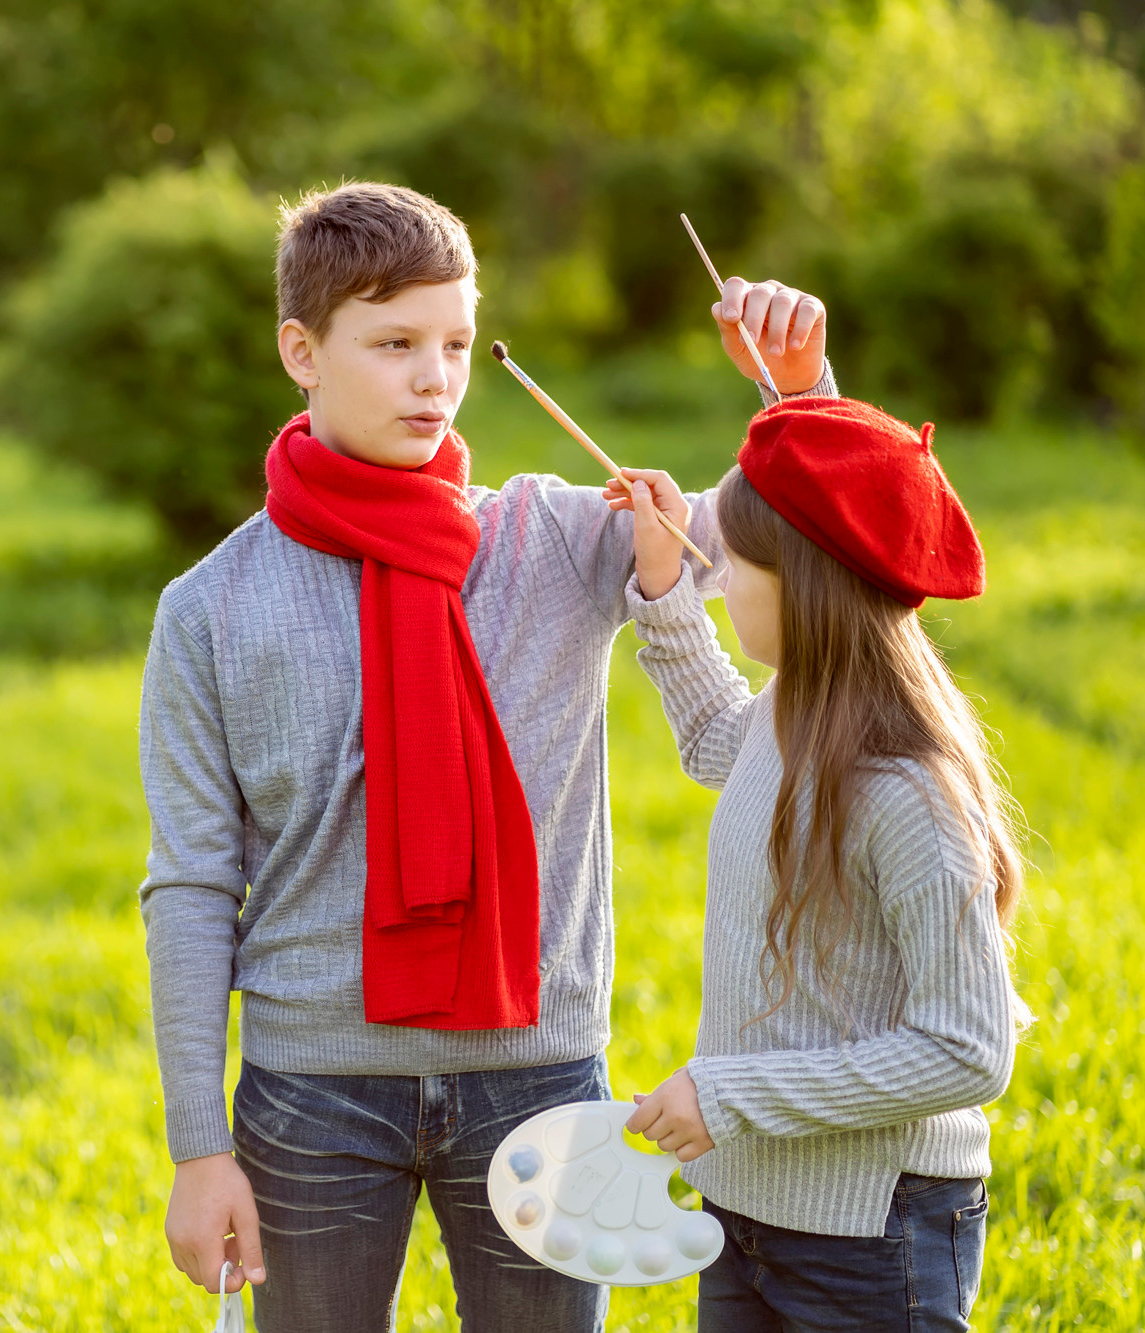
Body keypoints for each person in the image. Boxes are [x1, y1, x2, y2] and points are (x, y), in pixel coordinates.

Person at [138, 179, 834, 1331]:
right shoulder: (209, 607)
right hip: (311, 1093)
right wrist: (197, 1148)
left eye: (455, 342)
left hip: (540, 1077)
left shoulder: (558, 536)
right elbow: (192, 885)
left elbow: (812, 531)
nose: (433, 377)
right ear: (299, 352)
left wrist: (796, 390)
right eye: (394, 342)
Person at [616, 398, 1024, 1331]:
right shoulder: (790, 709)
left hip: (873, 1232)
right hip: (746, 1208)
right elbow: (721, 740)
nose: (714, 567)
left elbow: (969, 1047)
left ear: (804, 580)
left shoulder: (907, 792)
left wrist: (727, 1093)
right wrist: (666, 593)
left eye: (732, 560)